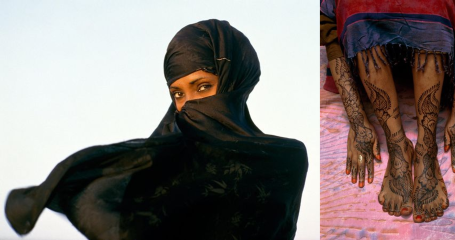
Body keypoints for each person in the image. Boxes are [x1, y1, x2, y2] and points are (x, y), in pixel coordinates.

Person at [5, 19, 308, 240]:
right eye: (178, 93)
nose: (188, 104)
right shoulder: (164, 164)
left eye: (202, 87)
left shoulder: (286, 158)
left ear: (235, 81)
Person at [320, 0, 455, 223]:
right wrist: (357, 121)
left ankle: (426, 149)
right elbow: (328, 22)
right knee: (355, 7)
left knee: (429, 6)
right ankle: (398, 146)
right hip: (370, 52)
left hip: (436, 49)